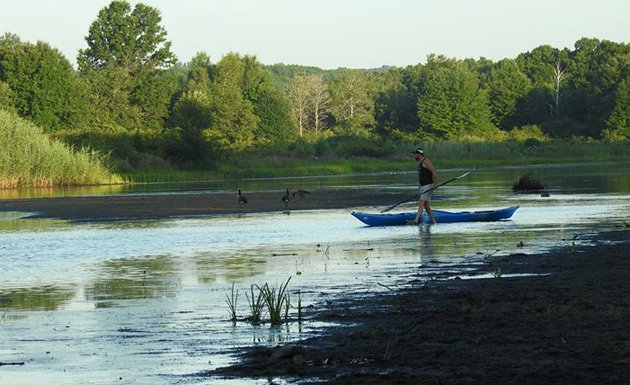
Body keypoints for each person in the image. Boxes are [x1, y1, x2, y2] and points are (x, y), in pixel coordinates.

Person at [410, 148, 438, 224]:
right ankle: (434, 222)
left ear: (419, 154)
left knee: (421, 202)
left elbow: (434, 172)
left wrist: (435, 184)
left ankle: (416, 221)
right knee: (426, 206)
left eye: (415, 155)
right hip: (423, 186)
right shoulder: (421, 163)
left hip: (428, 186)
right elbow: (423, 175)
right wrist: (420, 183)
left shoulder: (426, 161)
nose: (414, 156)